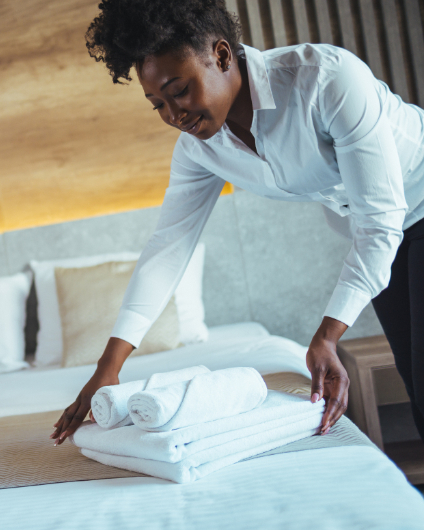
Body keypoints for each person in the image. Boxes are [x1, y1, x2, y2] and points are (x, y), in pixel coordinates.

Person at [51, 0, 424, 445]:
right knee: (416, 378)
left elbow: (379, 221)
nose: (174, 115)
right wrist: (108, 368)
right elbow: (168, 249)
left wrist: (327, 336)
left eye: (180, 89)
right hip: (387, 236)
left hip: (405, 211)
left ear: (222, 55)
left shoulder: (326, 80)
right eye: (158, 105)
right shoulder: (200, 149)